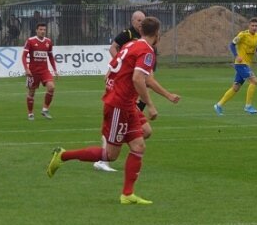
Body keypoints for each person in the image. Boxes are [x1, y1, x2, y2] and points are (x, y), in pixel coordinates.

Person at [46, 17, 180, 205]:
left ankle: (127, 194)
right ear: (158, 34)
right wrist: (150, 104)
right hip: (119, 105)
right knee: (110, 155)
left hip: (126, 104)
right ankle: (63, 156)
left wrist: (167, 95)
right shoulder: (146, 51)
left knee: (140, 143)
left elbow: (111, 72)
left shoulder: (131, 45)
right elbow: (138, 79)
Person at [95, 10, 146, 172]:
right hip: (124, 84)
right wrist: (119, 66)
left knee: (145, 131)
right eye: (138, 20)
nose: (140, 23)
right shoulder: (127, 33)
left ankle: (114, 142)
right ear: (132, 21)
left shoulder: (145, 38)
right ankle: (106, 154)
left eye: (142, 20)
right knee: (139, 129)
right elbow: (113, 48)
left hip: (135, 84)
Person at [214, 17, 257, 115]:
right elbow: (232, 45)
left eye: (256, 26)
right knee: (254, 81)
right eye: (252, 25)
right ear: (249, 26)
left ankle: (219, 105)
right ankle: (248, 106)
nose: (254, 27)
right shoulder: (242, 35)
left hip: (247, 64)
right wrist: (236, 56)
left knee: (236, 87)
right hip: (240, 64)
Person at [21, 22, 58, 120]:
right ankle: (30, 113)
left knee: (51, 87)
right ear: (36, 30)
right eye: (41, 30)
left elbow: (50, 56)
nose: (43, 31)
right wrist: (26, 68)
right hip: (33, 72)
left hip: (44, 71)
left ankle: (45, 110)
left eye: (44, 30)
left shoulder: (48, 42)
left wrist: (55, 69)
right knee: (31, 92)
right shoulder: (30, 41)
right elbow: (24, 56)